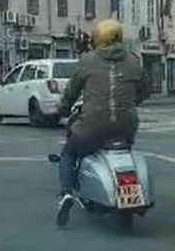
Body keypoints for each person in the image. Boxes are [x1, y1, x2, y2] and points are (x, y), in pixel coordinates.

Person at [52, 18, 149, 227]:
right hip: (126, 125)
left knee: (69, 152)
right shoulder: (133, 61)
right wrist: (129, 102)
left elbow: (71, 92)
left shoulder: (87, 60)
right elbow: (144, 91)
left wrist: (62, 110)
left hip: (92, 125)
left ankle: (66, 193)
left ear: (97, 39)